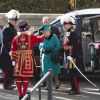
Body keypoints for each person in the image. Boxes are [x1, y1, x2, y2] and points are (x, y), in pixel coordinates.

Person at [11, 21, 44, 100]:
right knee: (26, 77)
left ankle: (20, 94)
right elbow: (41, 39)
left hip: (19, 59)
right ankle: (24, 93)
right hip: (28, 59)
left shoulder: (15, 38)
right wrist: (43, 35)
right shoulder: (31, 37)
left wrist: (13, 59)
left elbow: (13, 50)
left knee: (18, 77)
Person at [0, 9, 20, 90]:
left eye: (16, 20)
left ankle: (9, 83)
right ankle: (6, 85)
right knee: (7, 68)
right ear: (9, 19)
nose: (15, 21)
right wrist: (10, 51)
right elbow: (5, 41)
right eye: (13, 19)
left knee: (11, 68)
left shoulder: (12, 28)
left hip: (12, 51)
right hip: (7, 52)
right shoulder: (7, 28)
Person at [61, 16, 79, 95]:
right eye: (64, 24)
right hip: (68, 54)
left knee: (73, 73)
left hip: (72, 56)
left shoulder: (73, 32)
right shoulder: (67, 32)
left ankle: (76, 89)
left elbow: (75, 46)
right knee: (70, 73)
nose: (64, 26)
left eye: (66, 24)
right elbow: (66, 44)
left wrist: (72, 55)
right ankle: (72, 88)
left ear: (70, 25)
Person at [39, 24, 61, 89]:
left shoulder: (54, 36)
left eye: (48, 31)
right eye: (45, 32)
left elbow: (58, 46)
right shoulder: (41, 37)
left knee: (55, 71)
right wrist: (42, 50)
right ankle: (49, 85)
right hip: (45, 57)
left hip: (53, 56)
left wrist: (52, 50)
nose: (46, 33)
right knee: (45, 71)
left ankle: (57, 82)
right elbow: (40, 46)